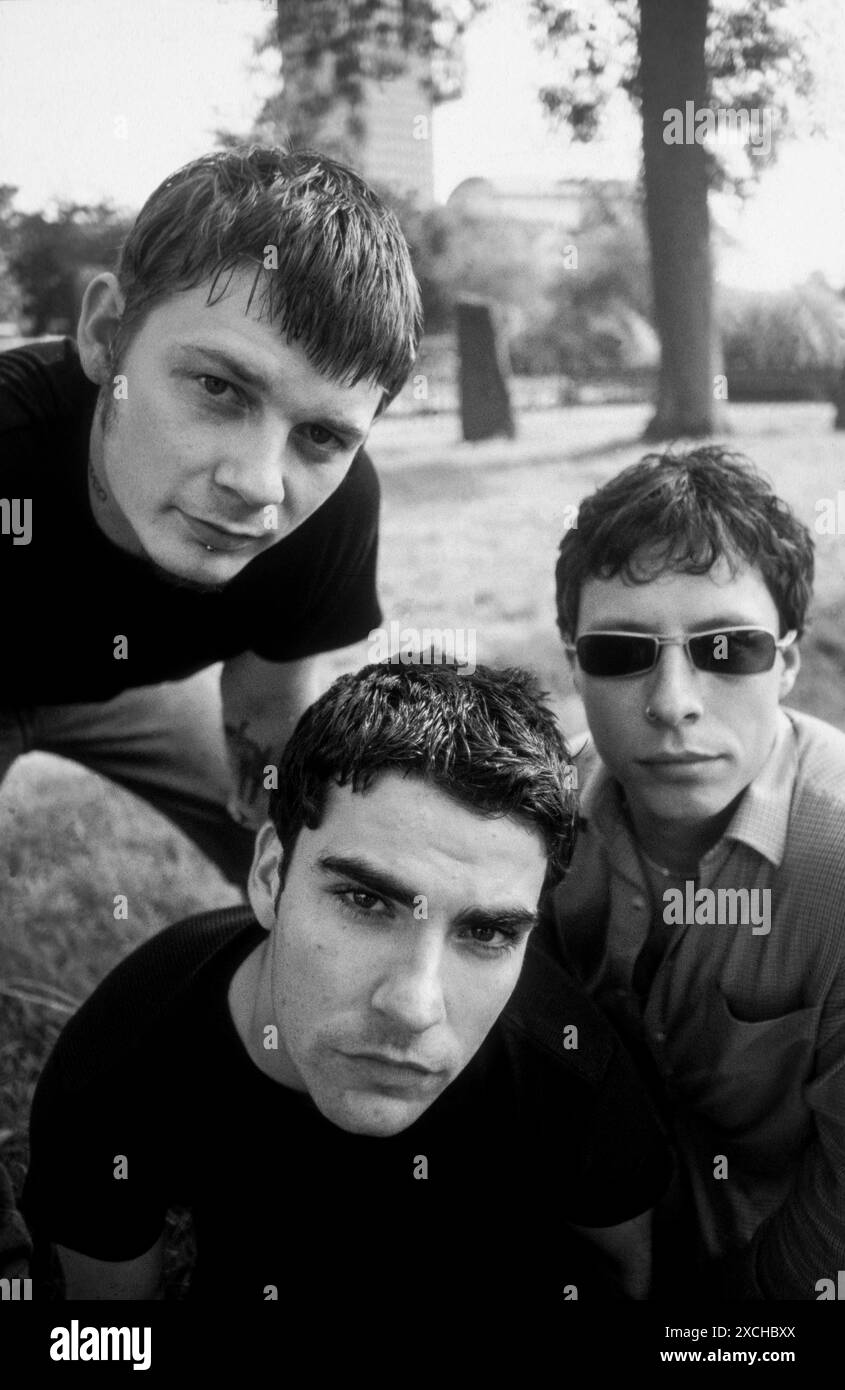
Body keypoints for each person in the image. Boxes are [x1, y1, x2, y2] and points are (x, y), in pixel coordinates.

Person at [22, 662, 672, 1303]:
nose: (414, 1006)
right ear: (271, 875)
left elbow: (624, 1275)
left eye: (486, 933)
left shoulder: (564, 1069)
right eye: (364, 902)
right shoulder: (125, 1057)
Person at [0, 144, 421, 888]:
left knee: (312, 858)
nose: (259, 486)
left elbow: (268, 708)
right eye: (219, 388)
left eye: (320, 435)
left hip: (135, 689)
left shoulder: (334, 504)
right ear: (105, 335)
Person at [546, 446, 845, 1300]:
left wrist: (723, 1326)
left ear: (787, 661)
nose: (673, 700)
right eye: (618, 653)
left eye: (726, 649)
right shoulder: (532, 826)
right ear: (572, 662)